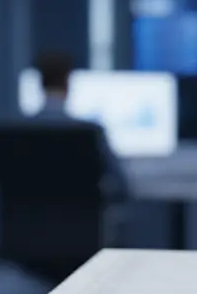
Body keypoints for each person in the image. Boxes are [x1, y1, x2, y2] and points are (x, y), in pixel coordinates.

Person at [29, 50, 130, 200]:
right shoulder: (91, 132)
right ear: (67, 84)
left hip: (28, 215)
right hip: (82, 214)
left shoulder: (15, 133)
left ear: (41, 84)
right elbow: (122, 184)